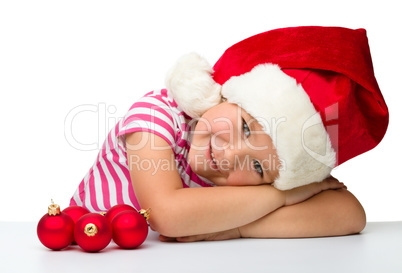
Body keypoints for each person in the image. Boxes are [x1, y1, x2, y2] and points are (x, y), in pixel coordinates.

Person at [70, 26, 388, 242]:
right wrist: (283, 197)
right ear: (226, 96)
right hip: (83, 250)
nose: (232, 155)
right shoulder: (156, 114)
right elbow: (165, 214)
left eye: (259, 168)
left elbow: (351, 215)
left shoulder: (239, 182)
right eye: (246, 127)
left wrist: (233, 228)